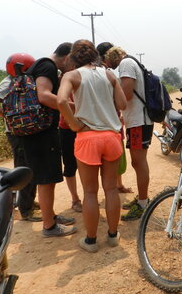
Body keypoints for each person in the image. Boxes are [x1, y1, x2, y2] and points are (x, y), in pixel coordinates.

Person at [57, 39, 127, 252]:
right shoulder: (109, 74)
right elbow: (123, 104)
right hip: (111, 137)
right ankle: (113, 236)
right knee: (111, 189)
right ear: (95, 55)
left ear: (72, 57)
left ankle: (91, 240)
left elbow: (60, 101)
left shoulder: (71, 75)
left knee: (89, 193)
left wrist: (74, 124)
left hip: (87, 138)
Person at [21, 42, 77, 238]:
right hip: (41, 133)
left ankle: (50, 216)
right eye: (73, 62)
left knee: (48, 179)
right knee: (46, 180)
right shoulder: (47, 66)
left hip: (39, 131)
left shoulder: (41, 65)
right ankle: (49, 226)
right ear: (67, 57)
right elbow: (44, 96)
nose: (73, 67)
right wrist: (71, 106)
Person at [0, 53, 41, 222]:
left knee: (31, 167)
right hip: (16, 133)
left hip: (25, 132)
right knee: (23, 169)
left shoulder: (22, 81)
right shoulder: (8, 82)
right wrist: (9, 117)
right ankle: (25, 209)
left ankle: (28, 201)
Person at [106, 47, 153, 221]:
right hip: (139, 120)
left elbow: (126, 95)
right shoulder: (132, 62)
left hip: (138, 121)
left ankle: (142, 204)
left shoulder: (125, 63)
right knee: (138, 161)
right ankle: (143, 199)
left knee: (138, 162)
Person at [96, 42, 132, 194]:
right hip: (111, 123)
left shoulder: (90, 73)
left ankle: (117, 185)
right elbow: (122, 102)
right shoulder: (107, 75)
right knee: (114, 157)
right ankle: (113, 187)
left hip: (98, 123)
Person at [58, 57, 82, 212]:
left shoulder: (84, 78)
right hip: (67, 129)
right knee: (70, 166)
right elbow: (61, 102)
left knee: (86, 164)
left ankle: (88, 196)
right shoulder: (63, 80)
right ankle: (75, 199)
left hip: (83, 129)